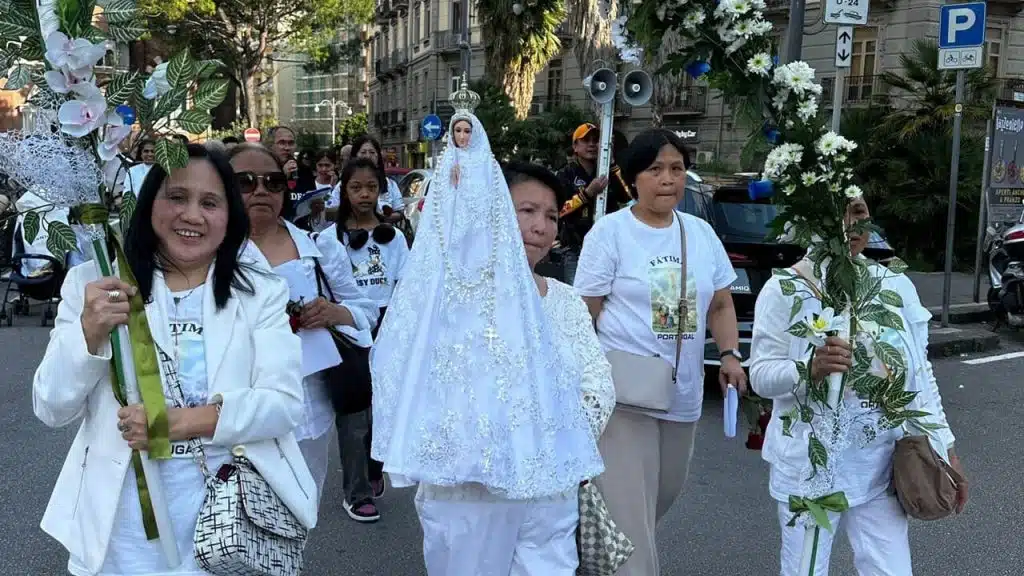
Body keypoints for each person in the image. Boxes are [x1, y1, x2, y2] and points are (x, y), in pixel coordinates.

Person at [33, 144, 318, 575]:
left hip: (229, 526)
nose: (192, 215)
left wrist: (176, 422)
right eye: (176, 197)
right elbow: (51, 407)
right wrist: (88, 334)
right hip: (121, 536)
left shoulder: (259, 292)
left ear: (229, 216)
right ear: (149, 203)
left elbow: (283, 404)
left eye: (210, 202)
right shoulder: (96, 283)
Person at [370, 81, 605, 575]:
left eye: (550, 216)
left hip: (547, 487)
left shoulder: (562, 302)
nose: (541, 226)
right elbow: (408, 379)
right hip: (466, 493)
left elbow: (597, 384)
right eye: (525, 211)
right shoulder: (447, 305)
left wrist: (556, 436)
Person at [750, 195, 969, 576]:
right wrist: (809, 368)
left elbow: (920, 375)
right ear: (808, 222)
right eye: (837, 214)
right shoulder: (786, 289)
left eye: (858, 212)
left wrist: (944, 447)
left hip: (881, 466)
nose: (850, 226)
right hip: (809, 468)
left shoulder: (893, 285)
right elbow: (761, 375)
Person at [573, 128, 747, 576]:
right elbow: (581, 316)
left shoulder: (701, 233)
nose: (668, 179)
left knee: (653, 507)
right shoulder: (610, 233)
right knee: (632, 530)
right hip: (623, 398)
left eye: (676, 169)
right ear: (633, 179)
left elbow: (722, 304)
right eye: (655, 169)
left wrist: (729, 355)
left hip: (681, 397)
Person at [229, 143, 377, 503]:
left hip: (308, 409)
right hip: (235, 413)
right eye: (245, 182)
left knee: (298, 513)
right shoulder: (207, 254)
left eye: (273, 182)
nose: (261, 190)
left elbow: (365, 310)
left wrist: (333, 313)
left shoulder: (320, 248)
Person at [329, 157, 411, 522]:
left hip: (387, 327)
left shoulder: (393, 238)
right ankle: (356, 491)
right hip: (347, 331)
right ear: (344, 190)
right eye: (356, 187)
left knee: (384, 409)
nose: (364, 194)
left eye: (371, 187)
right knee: (353, 414)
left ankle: (375, 467)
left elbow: (408, 285)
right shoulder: (330, 240)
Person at [553, 123, 632, 284]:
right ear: (575, 146)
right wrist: (587, 194)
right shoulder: (565, 174)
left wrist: (612, 165)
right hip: (575, 249)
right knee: (577, 299)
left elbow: (627, 196)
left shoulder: (607, 171)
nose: (591, 144)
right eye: (585, 140)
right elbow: (558, 211)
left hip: (608, 248)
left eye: (596, 140)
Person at [349, 135, 404, 222]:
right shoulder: (344, 183)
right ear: (355, 156)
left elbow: (400, 212)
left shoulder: (390, 184)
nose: (368, 156)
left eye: (372, 152)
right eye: (363, 152)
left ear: (378, 156)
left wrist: (382, 218)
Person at [267, 126, 315, 204]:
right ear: (271, 146)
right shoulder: (264, 170)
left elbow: (311, 197)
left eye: (291, 143)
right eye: (282, 143)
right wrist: (282, 176)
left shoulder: (305, 170)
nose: (287, 148)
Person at [295, 149, 338, 232]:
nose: (323, 169)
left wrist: (332, 186)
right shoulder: (308, 184)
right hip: (311, 229)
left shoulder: (340, 185)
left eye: (327, 165)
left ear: (335, 165)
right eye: (320, 165)